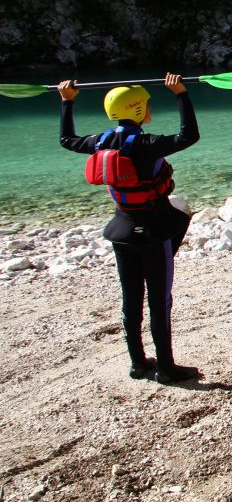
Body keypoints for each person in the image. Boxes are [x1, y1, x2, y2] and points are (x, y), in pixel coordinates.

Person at [58, 73, 201, 384]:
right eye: (146, 105)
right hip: (153, 232)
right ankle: (166, 367)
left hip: (121, 231)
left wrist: (67, 103)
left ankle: (138, 364)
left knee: (131, 299)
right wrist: (180, 94)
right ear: (138, 110)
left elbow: (67, 140)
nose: (149, 110)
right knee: (159, 301)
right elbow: (188, 135)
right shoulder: (147, 145)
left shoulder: (100, 142)